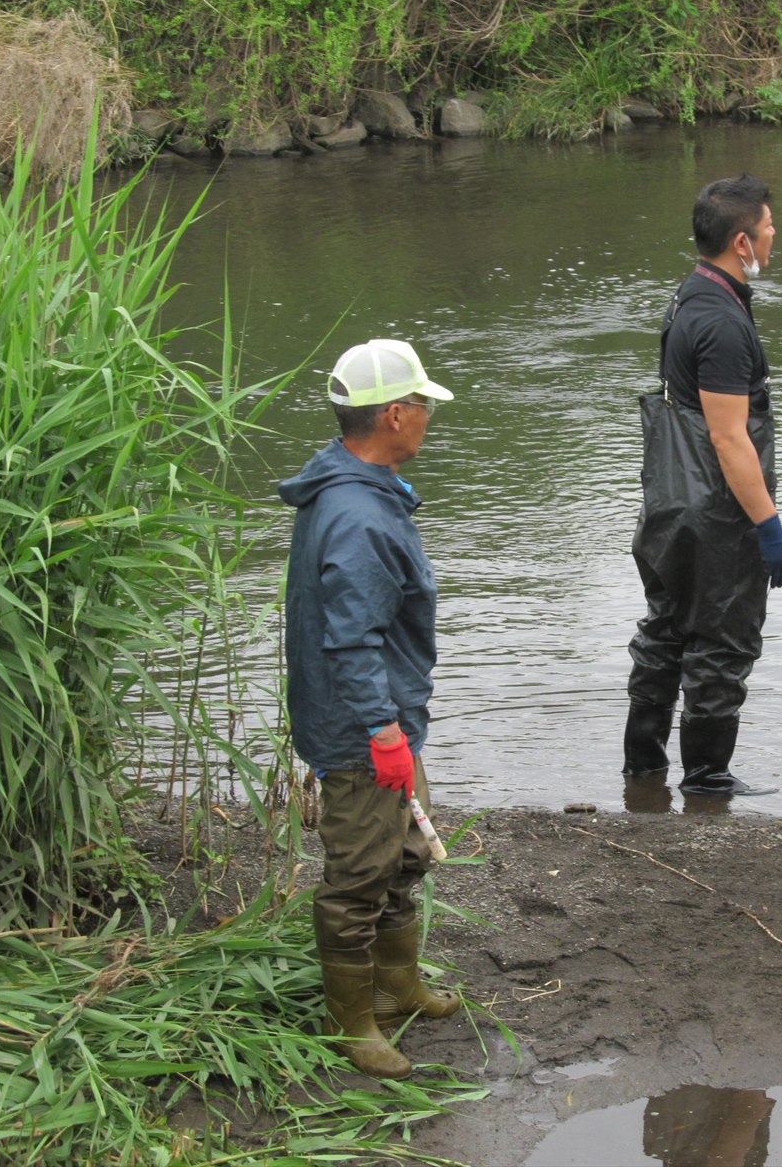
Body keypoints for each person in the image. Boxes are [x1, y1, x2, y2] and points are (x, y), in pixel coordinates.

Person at [279, 338, 463, 1079]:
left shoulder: (361, 486)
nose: (427, 418)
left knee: (405, 853)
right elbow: (351, 640)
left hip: (383, 719)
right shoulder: (359, 517)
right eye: (422, 405)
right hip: (364, 728)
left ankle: (398, 987)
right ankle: (352, 1025)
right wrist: (383, 731)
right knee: (358, 877)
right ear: (393, 415)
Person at [623, 174, 782, 798]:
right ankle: (706, 778)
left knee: (666, 627)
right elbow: (727, 437)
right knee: (722, 638)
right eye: (770, 228)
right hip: (716, 512)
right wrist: (769, 525)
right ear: (742, 241)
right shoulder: (722, 321)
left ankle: (643, 769)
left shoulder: (690, 295)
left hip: (670, 502)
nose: (777, 236)